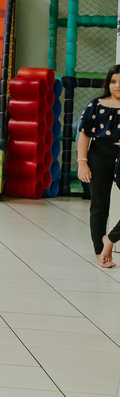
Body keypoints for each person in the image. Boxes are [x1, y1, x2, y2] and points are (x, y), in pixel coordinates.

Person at [77, 64, 120, 267]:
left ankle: (110, 239)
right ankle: (99, 253)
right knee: (99, 204)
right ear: (108, 83)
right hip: (99, 155)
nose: (117, 86)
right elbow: (84, 136)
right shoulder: (96, 105)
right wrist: (82, 163)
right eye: (113, 82)